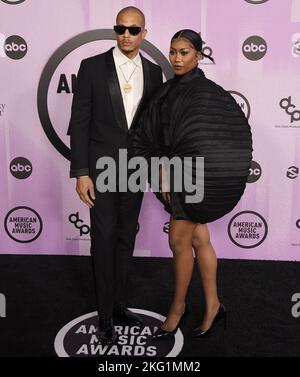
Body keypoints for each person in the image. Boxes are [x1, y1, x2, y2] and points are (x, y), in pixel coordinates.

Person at [131, 29, 252, 338]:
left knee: (178, 242)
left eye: (184, 52)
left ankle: (177, 309)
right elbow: (151, 134)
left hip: (197, 177)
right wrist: (160, 169)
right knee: (199, 240)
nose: (176, 58)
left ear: (199, 55)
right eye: (173, 51)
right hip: (173, 173)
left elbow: (218, 136)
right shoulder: (165, 90)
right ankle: (213, 305)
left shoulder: (209, 92)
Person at [67, 6, 163, 345]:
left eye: (133, 30)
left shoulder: (154, 74)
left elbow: (153, 127)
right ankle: (105, 315)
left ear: (144, 34)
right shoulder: (91, 67)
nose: (126, 34)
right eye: (120, 28)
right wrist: (81, 172)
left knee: (126, 239)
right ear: (115, 30)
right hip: (100, 171)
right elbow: (78, 123)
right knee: (103, 240)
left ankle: (120, 305)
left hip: (135, 170)